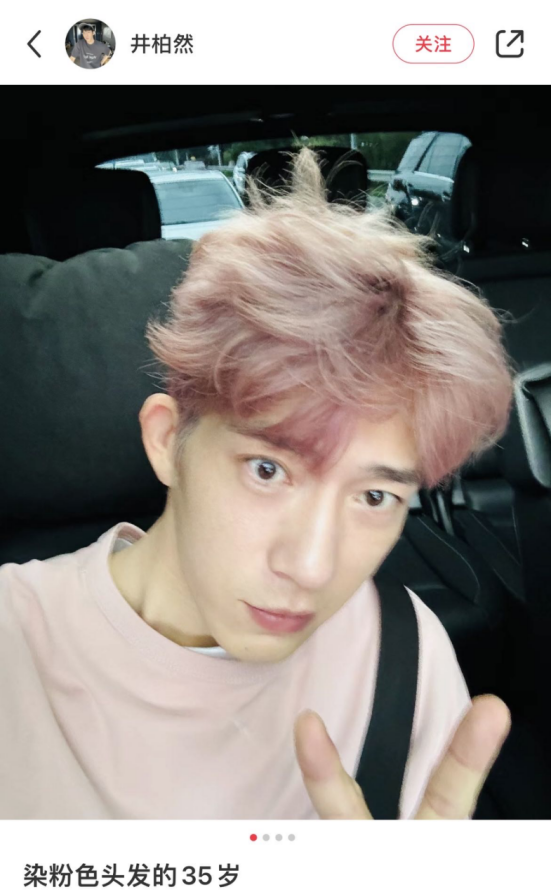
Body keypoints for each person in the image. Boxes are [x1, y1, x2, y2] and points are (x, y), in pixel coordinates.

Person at [0, 149, 513, 820]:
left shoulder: (404, 650)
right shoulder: (14, 639)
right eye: (268, 469)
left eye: (374, 496)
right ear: (167, 440)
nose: (312, 566)